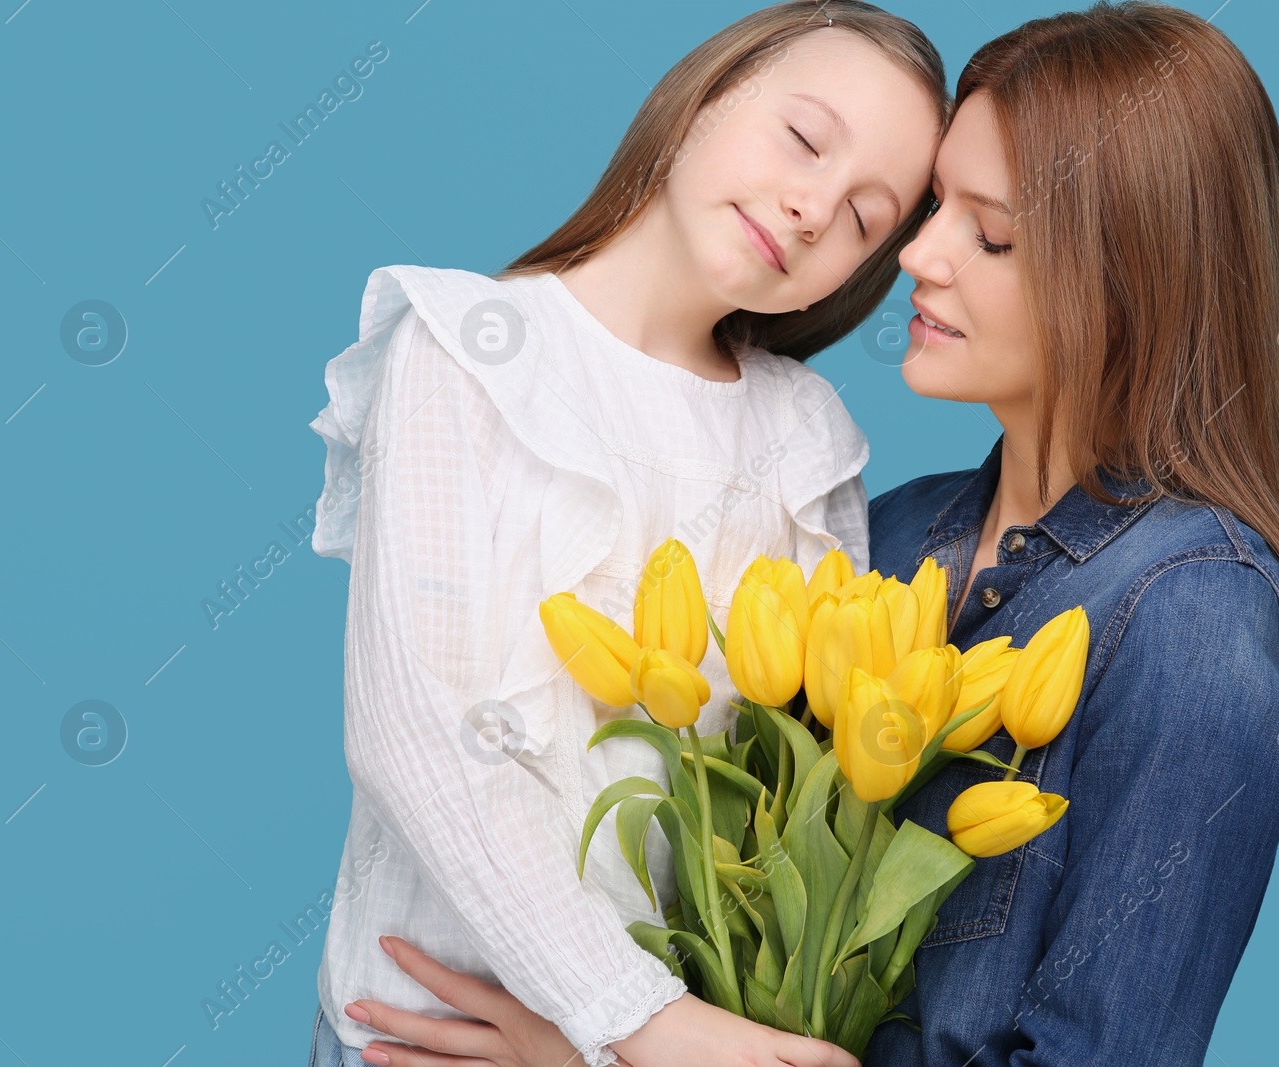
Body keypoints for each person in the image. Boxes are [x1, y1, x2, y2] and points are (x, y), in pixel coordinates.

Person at [331, 3, 1279, 1066]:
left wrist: (599, 1050)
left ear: (1128, 279)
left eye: (990, 231)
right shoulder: (900, 533)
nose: (917, 254)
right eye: (931, 212)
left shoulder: (1191, 617)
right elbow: (742, 931)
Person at [303, 4, 947, 1067]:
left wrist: (617, 1045)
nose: (808, 207)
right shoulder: (468, 350)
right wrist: (635, 1018)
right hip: (433, 1040)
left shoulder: (806, 435)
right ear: (706, 93)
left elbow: (800, 801)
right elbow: (414, 732)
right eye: (803, 138)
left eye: (863, 217)